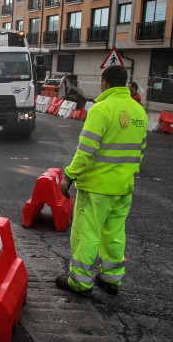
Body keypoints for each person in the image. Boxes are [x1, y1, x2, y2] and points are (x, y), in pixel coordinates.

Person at [55, 65, 148, 297]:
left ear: (104, 82)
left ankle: (80, 281)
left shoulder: (100, 110)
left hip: (97, 187)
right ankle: (111, 279)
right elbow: (140, 151)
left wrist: (69, 175)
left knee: (87, 232)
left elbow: (86, 151)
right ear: (125, 83)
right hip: (123, 187)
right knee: (114, 233)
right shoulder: (139, 112)